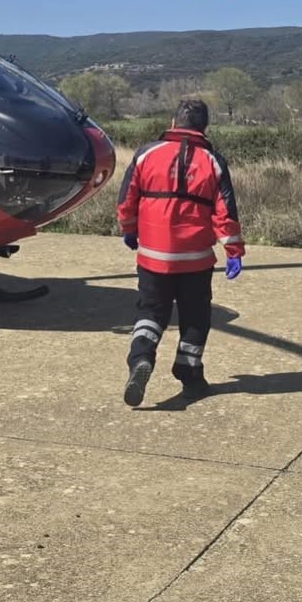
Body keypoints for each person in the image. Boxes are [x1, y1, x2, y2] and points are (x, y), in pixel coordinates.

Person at [116, 98, 244, 407]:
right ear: (205, 128)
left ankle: (141, 358)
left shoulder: (147, 154)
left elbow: (127, 197)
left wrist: (129, 229)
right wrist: (233, 251)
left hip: (152, 254)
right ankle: (189, 374)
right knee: (195, 316)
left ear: (173, 123)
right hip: (195, 257)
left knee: (150, 311)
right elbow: (224, 211)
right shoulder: (213, 161)